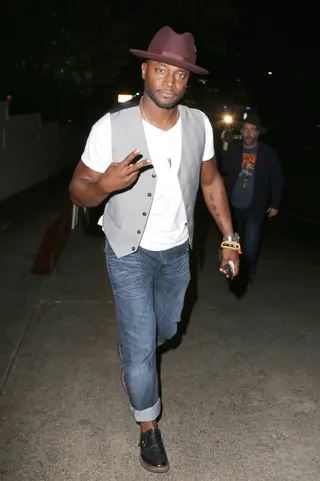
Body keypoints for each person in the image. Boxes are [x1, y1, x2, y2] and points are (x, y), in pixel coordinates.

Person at [69, 26, 241, 474]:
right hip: (128, 252)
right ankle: (148, 428)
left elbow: (210, 182)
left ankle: (136, 347)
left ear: (188, 82)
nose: (169, 81)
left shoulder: (199, 124)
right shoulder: (110, 127)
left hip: (177, 253)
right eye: (161, 70)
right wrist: (103, 185)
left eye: (180, 75)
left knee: (167, 330)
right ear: (145, 69)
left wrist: (228, 238)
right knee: (142, 348)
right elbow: (77, 190)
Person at [220, 113, 284, 287]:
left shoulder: (267, 153)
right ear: (242, 131)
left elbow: (277, 178)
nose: (248, 133)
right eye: (246, 129)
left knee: (251, 243)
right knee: (233, 242)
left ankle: (247, 273)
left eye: (252, 130)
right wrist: (225, 144)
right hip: (233, 206)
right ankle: (232, 270)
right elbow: (223, 169)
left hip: (255, 206)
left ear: (257, 133)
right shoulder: (234, 149)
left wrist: (275, 203)